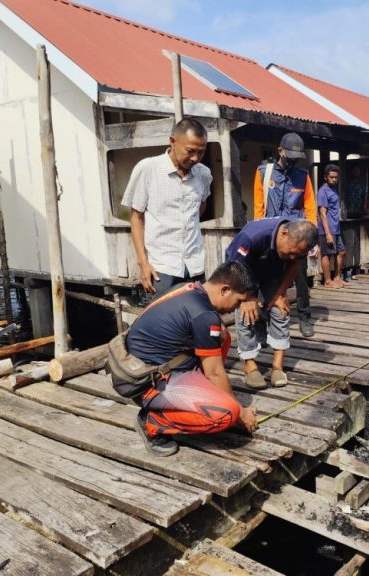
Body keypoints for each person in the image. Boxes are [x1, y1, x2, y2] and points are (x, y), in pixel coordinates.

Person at [125, 261, 259, 457]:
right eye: (239, 301)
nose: (236, 309)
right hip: (145, 382)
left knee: (222, 337)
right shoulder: (204, 314)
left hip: (151, 365)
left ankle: (203, 396)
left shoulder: (190, 288)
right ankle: (152, 422)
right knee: (225, 415)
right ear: (224, 290)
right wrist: (241, 413)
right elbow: (214, 372)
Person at [122, 118, 212, 299]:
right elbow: (136, 217)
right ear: (172, 141)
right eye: (190, 151)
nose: (195, 158)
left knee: (193, 321)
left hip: (194, 266)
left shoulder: (203, 174)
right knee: (163, 324)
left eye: (201, 153)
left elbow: (200, 208)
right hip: (161, 268)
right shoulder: (148, 168)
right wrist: (143, 263)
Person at [226, 218, 318, 389]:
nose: (292, 257)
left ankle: (278, 366)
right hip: (241, 273)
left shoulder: (297, 245)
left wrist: (280, 294)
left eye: (297, 254)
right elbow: (233, 268)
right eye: (291, 252)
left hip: (272, 272)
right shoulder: (251, 237)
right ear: (284, 234)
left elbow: (294, 266)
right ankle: (250, 366)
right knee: (246, 313)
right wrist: (246, 298)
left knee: (280, 309)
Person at [253, 132, 317, 338]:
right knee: (263, 280)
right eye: (290, 155)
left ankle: (305, 318)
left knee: (301, 280)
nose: (293, 160)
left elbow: (310, 208)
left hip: (297, 238)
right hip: (272, 237)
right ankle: (262, 323)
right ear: (280, 151)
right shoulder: (263, 173)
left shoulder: (303, 175)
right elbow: (258, 207)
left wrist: (312, 240)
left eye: (297, 156)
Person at [317, 164, 347, 288]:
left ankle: (337, 277)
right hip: (327, 229)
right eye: (331, 177)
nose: (334, 179)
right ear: (325, 177)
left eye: (336, 177)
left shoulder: (334, 189)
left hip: (336, 228)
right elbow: (322, 213)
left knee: (341, 252)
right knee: (327, 254)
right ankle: (328, 281)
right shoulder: (323, 191)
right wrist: (328, 233)